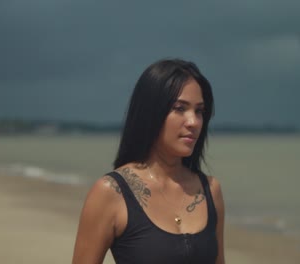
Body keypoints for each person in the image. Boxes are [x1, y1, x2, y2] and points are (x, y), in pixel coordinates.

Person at [72, 58, 225, 264]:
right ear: (151, 112)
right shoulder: (111, 192)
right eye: (180, 108)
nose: (194, 122)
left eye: (199, 111)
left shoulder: (210, 190)